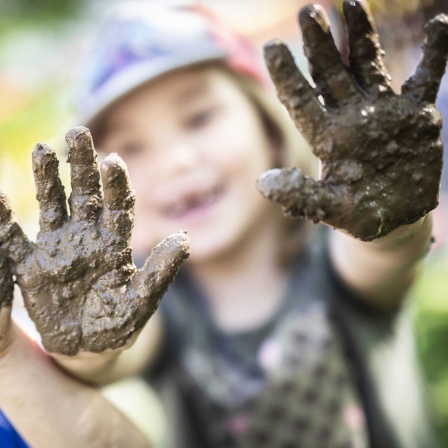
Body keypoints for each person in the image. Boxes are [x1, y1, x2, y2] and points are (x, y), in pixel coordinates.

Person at [0, 1, 446, 447]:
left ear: (270, 132)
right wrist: (82, 338)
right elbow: (112, 354)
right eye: (131, 148)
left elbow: (386, 252)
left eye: (199, 118)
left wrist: (391, 215)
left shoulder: (334, 255)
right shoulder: (154, 303)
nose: (177, 162)